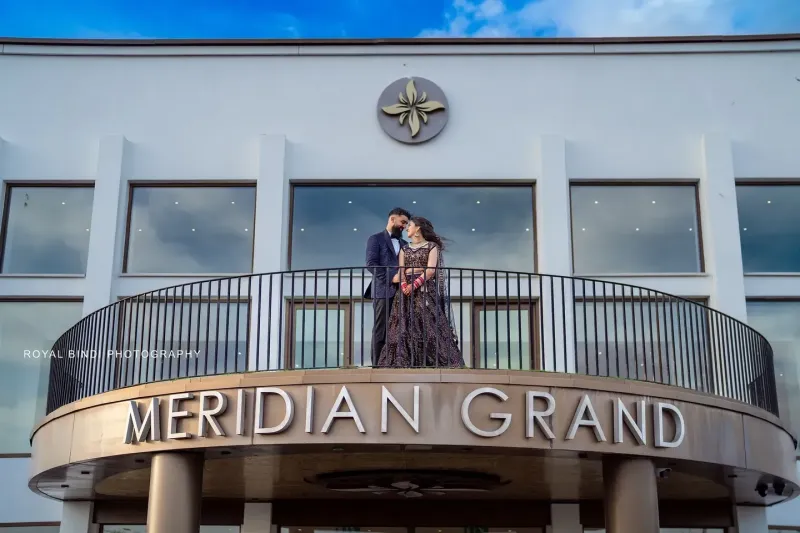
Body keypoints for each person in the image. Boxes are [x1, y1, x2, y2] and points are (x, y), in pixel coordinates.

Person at [377, 216, 464, 368]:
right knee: (403, 326)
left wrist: (414, 283)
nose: (406, 228)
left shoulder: (431, 247)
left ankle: (432, 361)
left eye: (409, 225)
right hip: (405, 293)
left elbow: (430, 270)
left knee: (428, 323)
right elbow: (402, 270)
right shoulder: (405, 248)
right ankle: (403, 362)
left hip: (424, 289)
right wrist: (404, 285)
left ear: (417, 228)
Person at [365, 207, 411, 362]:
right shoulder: (375, 239)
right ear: (392, 219)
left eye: (406, 224)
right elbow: (371, 264)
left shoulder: (405, 243)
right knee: (381, 329)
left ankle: (397, 363)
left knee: (401, 330)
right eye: (402, 222)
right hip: (383, 291)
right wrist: (392, 277)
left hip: (403, 293)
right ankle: (377, 366)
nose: (404, 226)